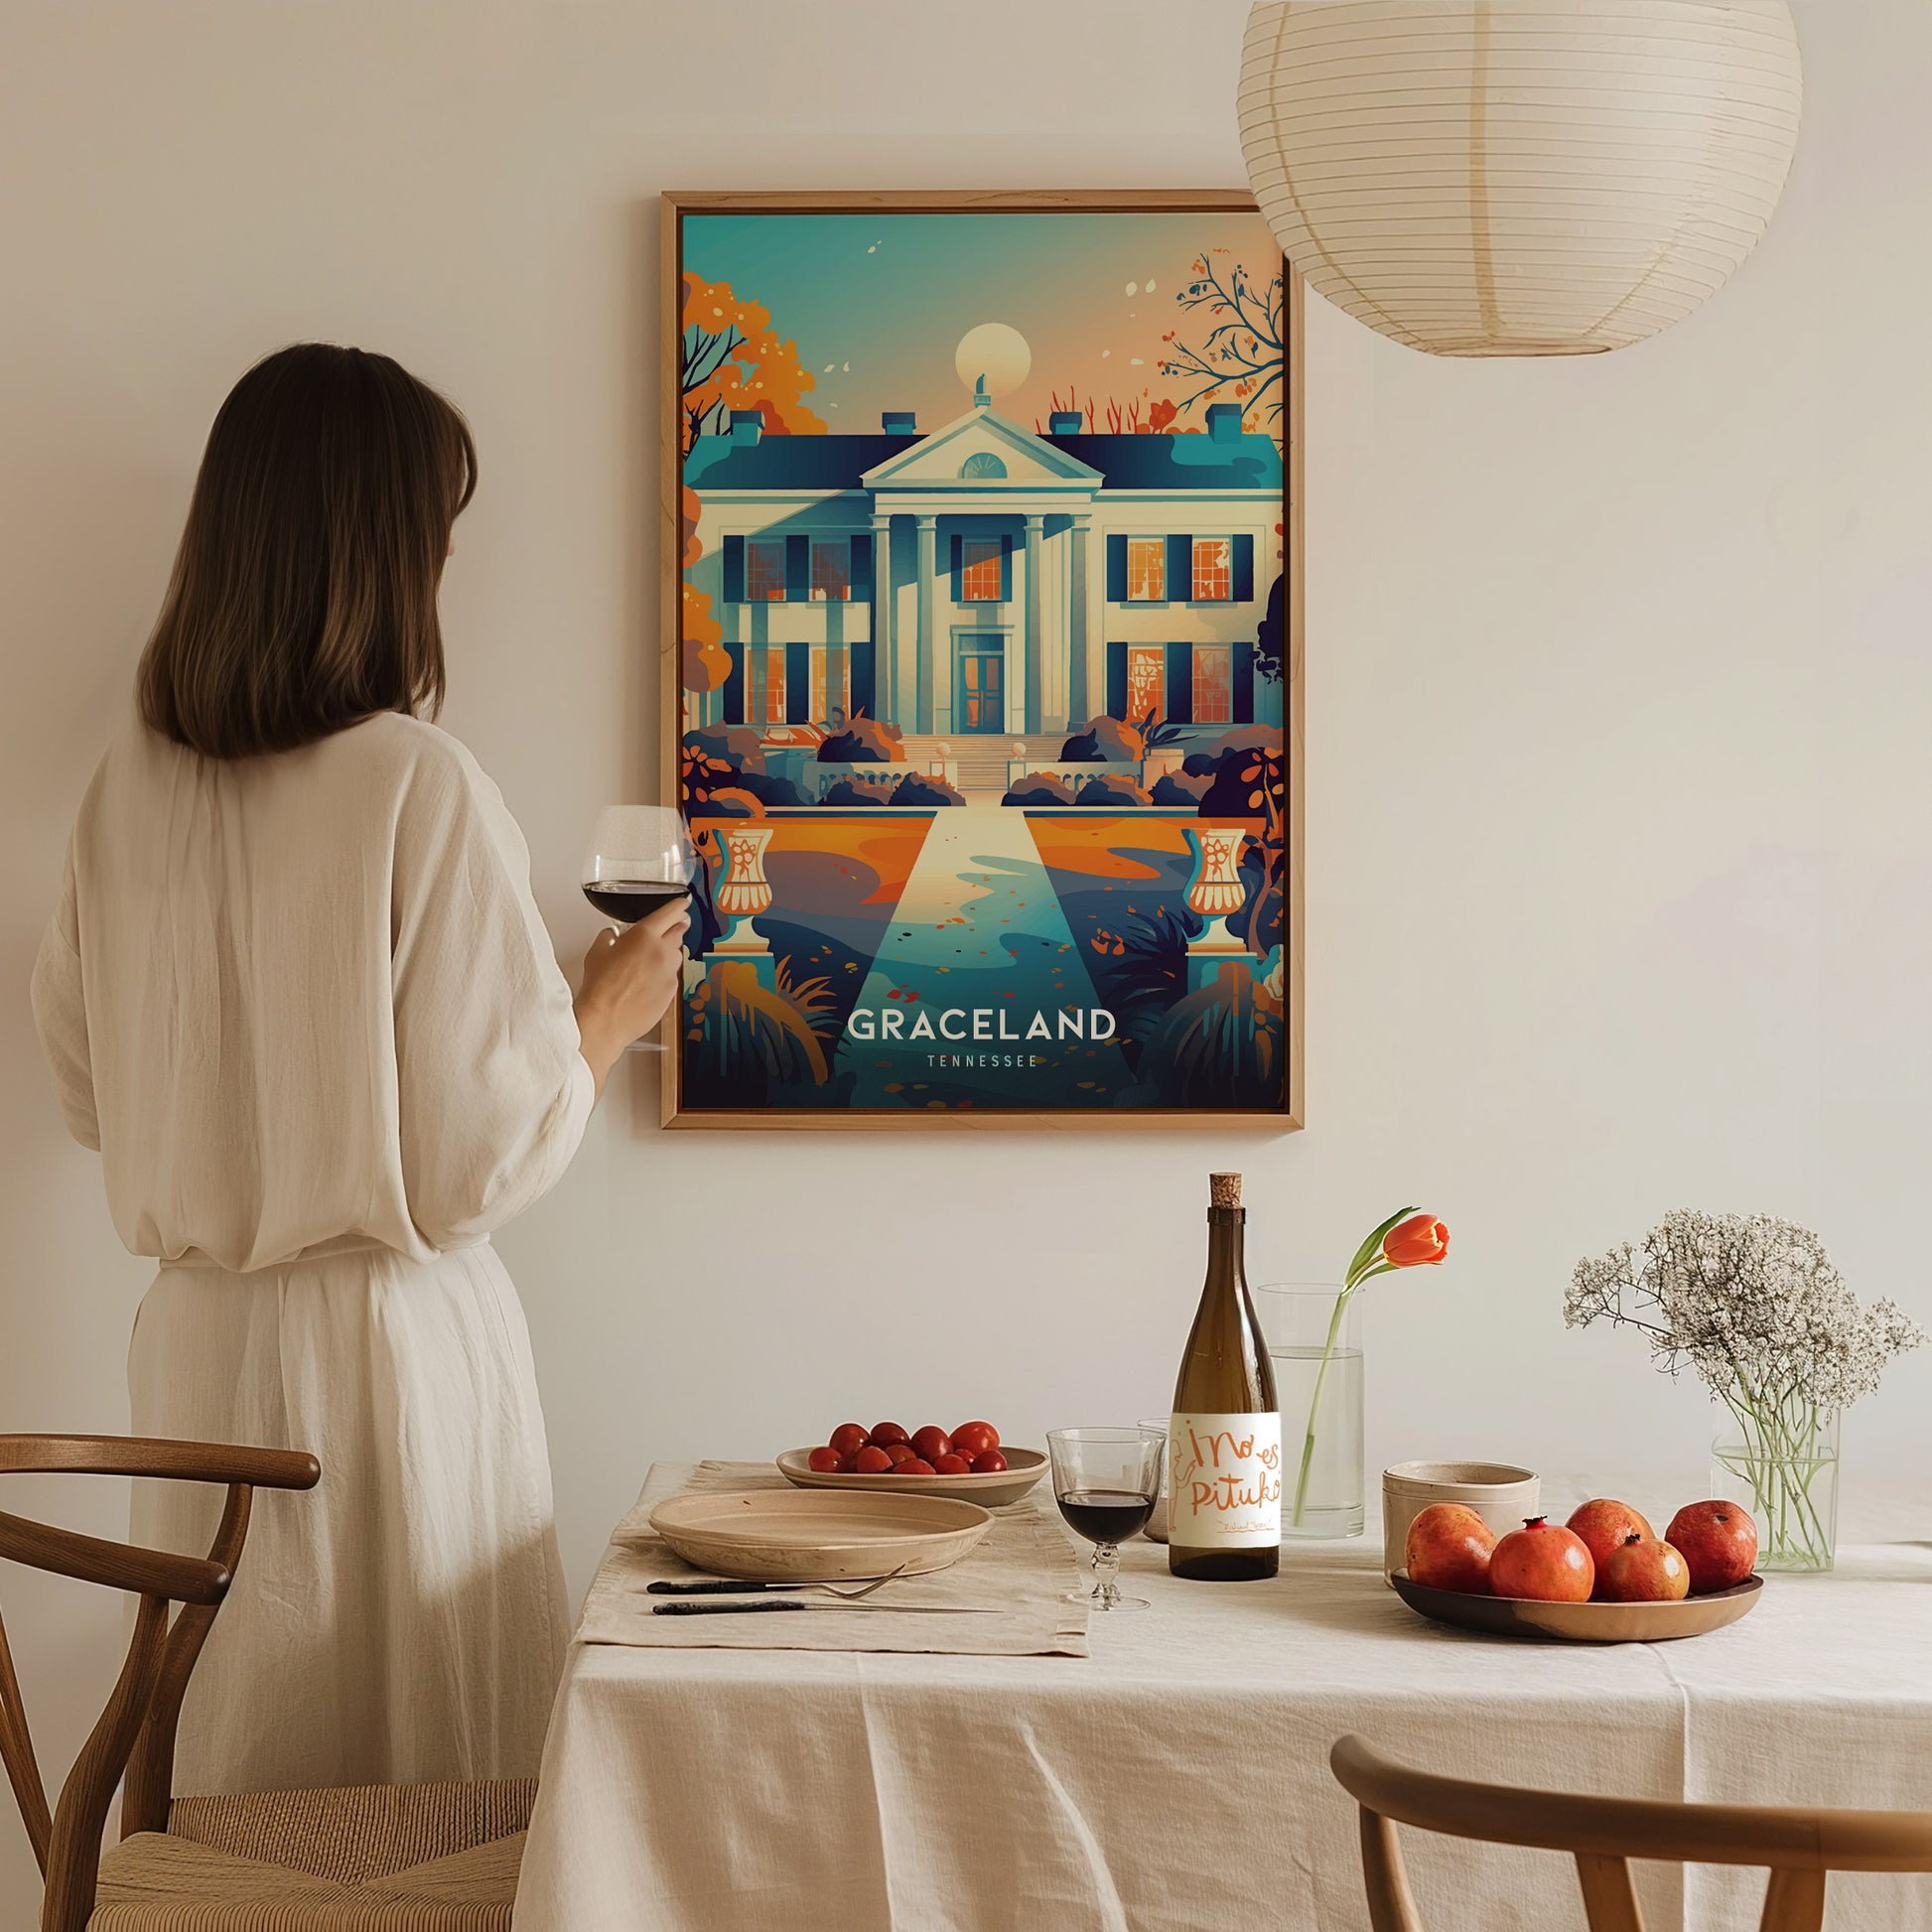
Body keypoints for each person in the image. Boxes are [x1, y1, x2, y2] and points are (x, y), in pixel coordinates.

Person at [29, 343, 686, 1793]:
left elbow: (87, 1092)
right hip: (388, 1363)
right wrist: (602, 1013)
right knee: (421, 1798)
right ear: (385, 552)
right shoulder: (414, 780)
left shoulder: (121, 791)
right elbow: (470, 1165)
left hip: (195, 1352)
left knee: (238, 1780)